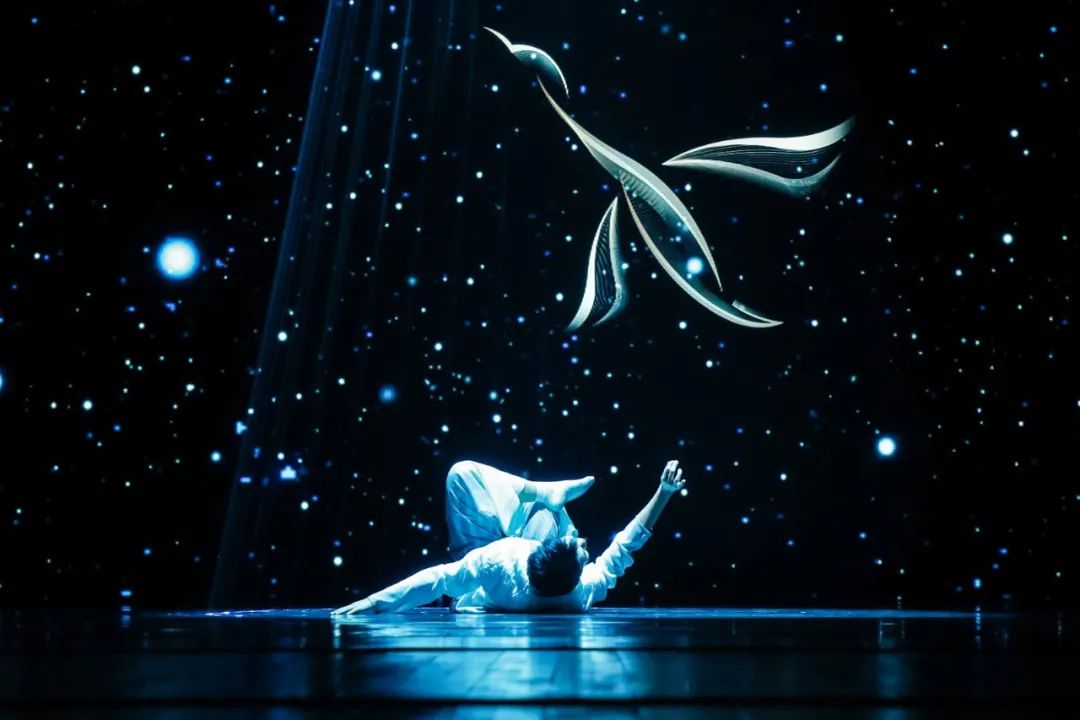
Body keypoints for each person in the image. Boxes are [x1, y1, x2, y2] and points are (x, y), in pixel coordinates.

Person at [331, 459, 687, 614]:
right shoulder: (581, 593)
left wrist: (375, 602)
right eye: (578, 543)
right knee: (547, 510)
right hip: (515, 560)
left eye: (577, 547)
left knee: (462, 473)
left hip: (481, 566)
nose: (584, 542)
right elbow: (626, 544)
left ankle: (541, 491)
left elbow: (437, 580)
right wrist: (664, 493)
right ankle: (546, 494)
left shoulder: (499, 561)